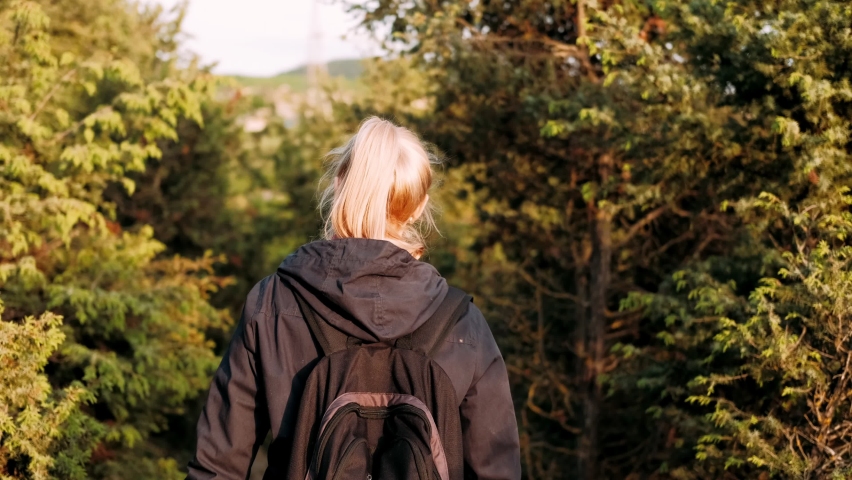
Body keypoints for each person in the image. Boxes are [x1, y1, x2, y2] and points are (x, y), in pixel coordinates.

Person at [187, 117, 521, 480]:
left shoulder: (271, 305)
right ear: (419, 207)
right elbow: (497, 470)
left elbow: (217, 466)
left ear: (338, 185)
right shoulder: (463, 325)